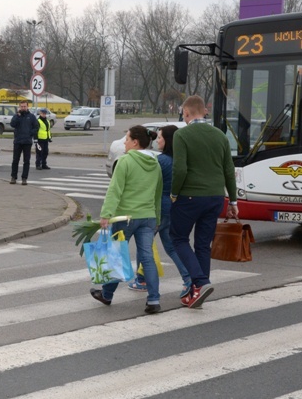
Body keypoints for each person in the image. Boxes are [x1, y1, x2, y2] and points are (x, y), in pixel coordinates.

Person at [170, 95, 238, 309]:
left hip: (190, 196)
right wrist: (233, 200)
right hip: (216, 197)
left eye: (183, 113)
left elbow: (179, 169)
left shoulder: (182, 135)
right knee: (202, 244)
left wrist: (174, 193)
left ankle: (200, 282)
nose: (183, 116)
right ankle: (198, 291)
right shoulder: (220, 136)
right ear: (204, 111)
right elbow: (229, 170)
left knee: (178, 238)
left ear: (187, 113)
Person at [90, 125, 163, 314]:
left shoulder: (125, 161)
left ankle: (106, 295)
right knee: (147, 258)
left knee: (115, 256)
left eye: (127, 139)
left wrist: (106, 214)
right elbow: (158, 193)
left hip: (125, 217)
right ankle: (154, 300)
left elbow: (115, 190)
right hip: (147, 217)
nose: (125, 142)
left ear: (135, 142)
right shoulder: (155, 163)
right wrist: (157, 217)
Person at [127, 125, 192, 298]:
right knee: (171, 247)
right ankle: (188, 278)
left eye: (161, 137)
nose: (157, 141)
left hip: (158, 208)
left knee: (144, 245)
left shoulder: (161, 161)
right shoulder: (178, 159)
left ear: (168, 140)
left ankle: (142, 280)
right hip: (173, 208)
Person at [10, 100, 38, 185]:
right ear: (19, 107)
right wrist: (17, 116)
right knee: (15, 160)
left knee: (26, 161)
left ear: (27, 106)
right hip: (18, 141)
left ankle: (24, 178)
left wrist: (30, 133)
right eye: (21, 106)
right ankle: (13, 177)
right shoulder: (16, 116)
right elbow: (12, 124)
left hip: (27, 142)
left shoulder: (31, 117)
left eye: (24, 106)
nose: (23, 108)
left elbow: (36, 127)